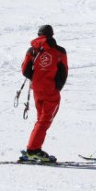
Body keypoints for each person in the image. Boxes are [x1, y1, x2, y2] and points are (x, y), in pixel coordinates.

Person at [21, 25, 68, 162]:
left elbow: (25, 70)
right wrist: (56, 87)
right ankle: (33, 150)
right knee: (44, 120)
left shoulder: (32, 49)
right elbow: (63, 71)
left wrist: (36, 80)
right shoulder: (59, 51)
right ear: (52, 35)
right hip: (50, 90)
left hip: (37, 90)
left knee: (41, 120)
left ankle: (35, 148)